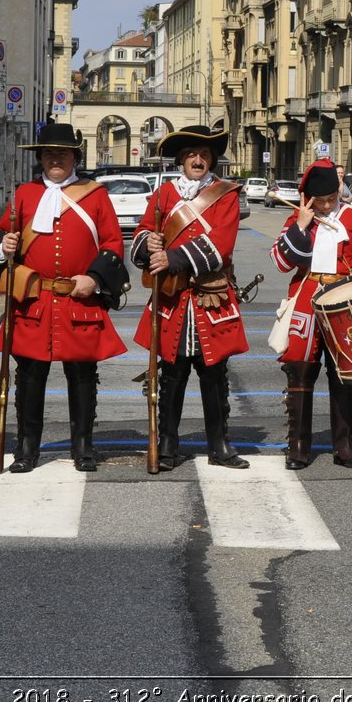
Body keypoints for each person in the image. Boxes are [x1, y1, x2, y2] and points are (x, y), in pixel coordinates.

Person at [0, 123, 127, 472]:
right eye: (49, 154)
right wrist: (3, 247)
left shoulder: (95, 195)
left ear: (74, 158)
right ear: (40, 158)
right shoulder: (24, 194)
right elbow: (1, 236)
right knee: (29, 377)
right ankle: (26, 449)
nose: (56, 160)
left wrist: (95, 278)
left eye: (62, 154)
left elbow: (113, 243)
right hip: (34, 300)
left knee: (82, 377)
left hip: (78, 300)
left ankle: (83, 447)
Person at [130, 124, 250, 471]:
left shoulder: (225, 194)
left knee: (214, 376)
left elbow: (221, 246)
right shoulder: (165, 194)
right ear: (182, 160)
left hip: (211, 297)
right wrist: (148, 244)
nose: (198, 160)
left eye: (204, 155)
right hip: (173, 300)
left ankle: (220, 445)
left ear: (211, 159)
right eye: (191, 155)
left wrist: (172, 257)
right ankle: (167, 445)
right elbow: (142, 231)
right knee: (172, 374)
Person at [271, 159, 352, 470]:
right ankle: (297, 446)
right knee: (299, 369)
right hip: (307, 299)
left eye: (330, 199)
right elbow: (280, 263)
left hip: (345, 299)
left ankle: (345, 446)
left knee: (346, 373)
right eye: (320, 201)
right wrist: (300, 224)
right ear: (308, 199)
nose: (326, 206)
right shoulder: (296, 221)